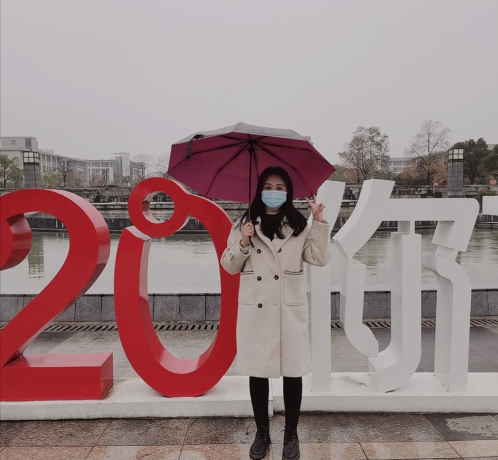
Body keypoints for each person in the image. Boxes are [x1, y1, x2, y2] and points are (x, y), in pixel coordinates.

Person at [221, 167, 331, 460]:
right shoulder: (244, 223)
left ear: (288, 192)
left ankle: (291, 434)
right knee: (258, 373)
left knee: (293, 373)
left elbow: (319, 258)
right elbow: (229, 266)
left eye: (280, 187)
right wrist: (243, 242)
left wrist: (318, 223)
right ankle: (262, 432)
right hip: (256, 310)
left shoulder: (299, 224)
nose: (273, 192)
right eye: (268, 186)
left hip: (288, 309)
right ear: (259, 190)